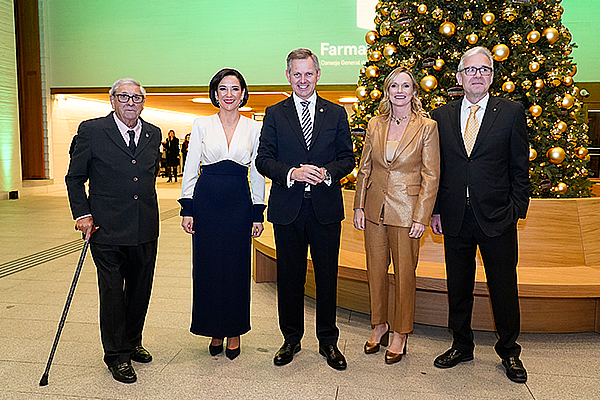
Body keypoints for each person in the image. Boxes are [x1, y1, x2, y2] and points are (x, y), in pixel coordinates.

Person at [429, 46, 530, 383]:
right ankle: (461, 344)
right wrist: (437, 211)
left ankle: (509, 352)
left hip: (497, 218)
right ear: (459, 77)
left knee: (503, 286)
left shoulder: (511, 112)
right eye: (471, 70)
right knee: (458, 285)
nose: (477, 75)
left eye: (484, 69)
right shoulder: (442, 116)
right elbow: (438, 170)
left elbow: (520, 169)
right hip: (455, 217)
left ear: (491, 76)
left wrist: (516, 210)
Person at [256, 48, 354, 370]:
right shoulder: (274, 113)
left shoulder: (336, 113)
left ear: (318, 74)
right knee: (289, 277)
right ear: (288, 76)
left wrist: (328, 173)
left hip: (325, 209)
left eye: (308, 73)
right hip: (288, 209)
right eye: (296, 74)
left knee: (327, 277)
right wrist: (292, 173)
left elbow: (346, 159)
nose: (302, 79)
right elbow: (264, 159)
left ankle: (328, 341)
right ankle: (291, 339)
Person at [65, 78, 162, 384]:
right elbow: (74, 177)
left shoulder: (153, 133)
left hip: (144, 225)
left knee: (139, 290)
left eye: (137, 98)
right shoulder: (92, 131)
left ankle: (132, 341)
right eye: (124, 97)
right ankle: (116, 355)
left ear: (143, 103)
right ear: (112, 100)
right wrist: (83, 213)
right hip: (105, 228)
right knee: (111, 292)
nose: (131, 103)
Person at [353, 67, 440, 364]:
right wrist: (359, 206)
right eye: (394, 86)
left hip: (407, 212)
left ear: (414, 91)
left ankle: (401, 332)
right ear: (387, 92)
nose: (400, 91)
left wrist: (421, 216)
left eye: (406, 86)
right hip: (375, 209)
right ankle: (379, 325)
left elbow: (431, 175)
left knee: (404, 275)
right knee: (375, 271)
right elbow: (365, 169)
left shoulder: (427, 126)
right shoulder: (375, 124)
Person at [179, 68, 265, 360]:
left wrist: (257, 213)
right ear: (215, 94)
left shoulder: (254, 128)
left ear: (243, 93)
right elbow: (191, 167)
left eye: (235, 89)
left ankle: (235, 330)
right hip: (207, 202)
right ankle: (214, 329)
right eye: (223, 89)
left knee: (237, 269)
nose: (229, 95)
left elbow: (257, 173)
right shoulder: (201, 123)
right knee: (209, 269)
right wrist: (187, 208)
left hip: (239, 203)